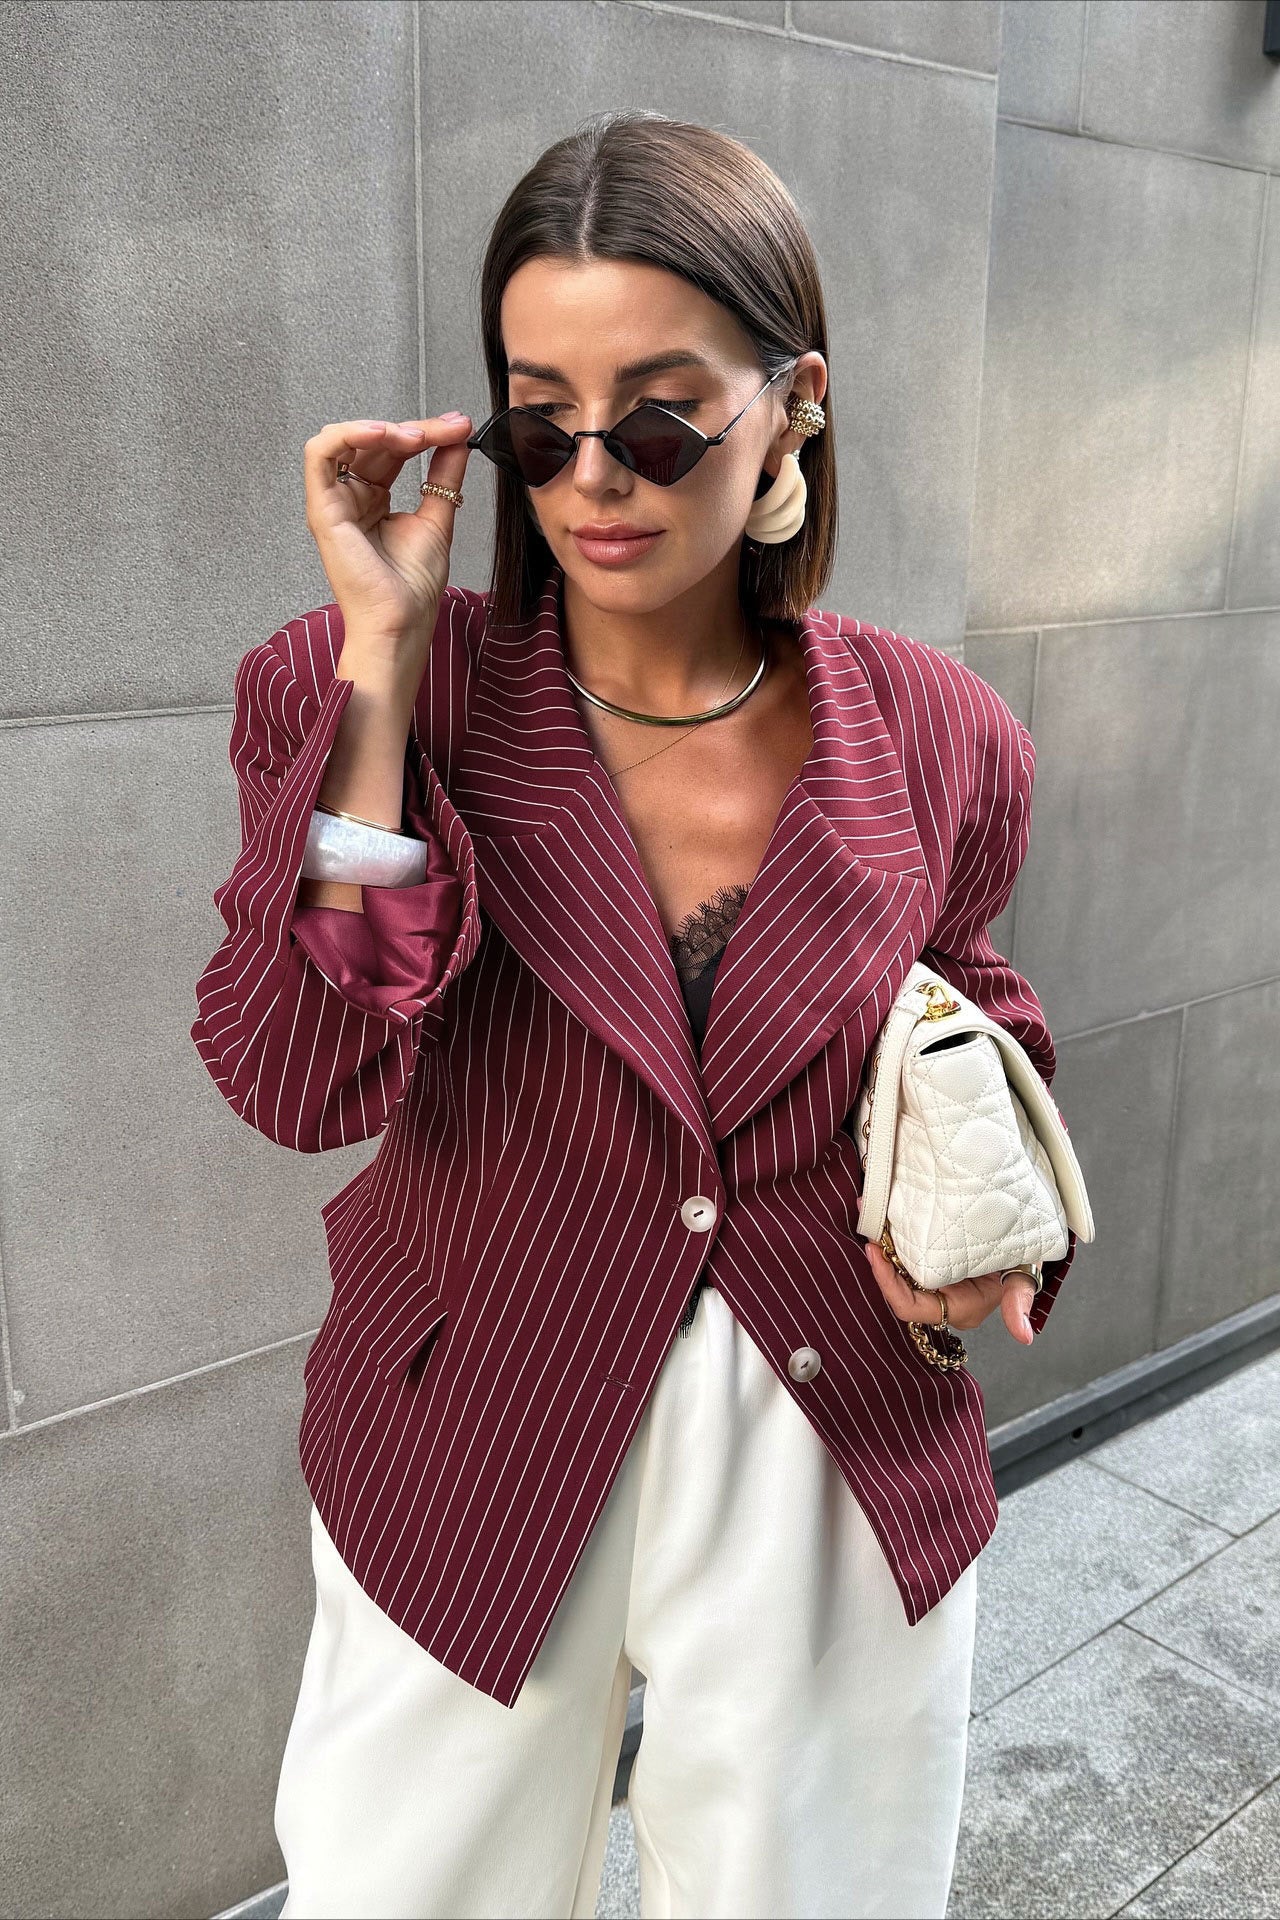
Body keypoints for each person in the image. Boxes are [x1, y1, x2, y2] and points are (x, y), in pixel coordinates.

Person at [192, 110, 1075, 1920]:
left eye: (662, 419)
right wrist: (381, 671)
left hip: (832, 1429)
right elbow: (300, 1067)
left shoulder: (940, 732)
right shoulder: (387, 694)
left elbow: (972, 994)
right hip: (476, 1429)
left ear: (794, 405)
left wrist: (1001, 1215)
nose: (595, 476)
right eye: (543, 422)